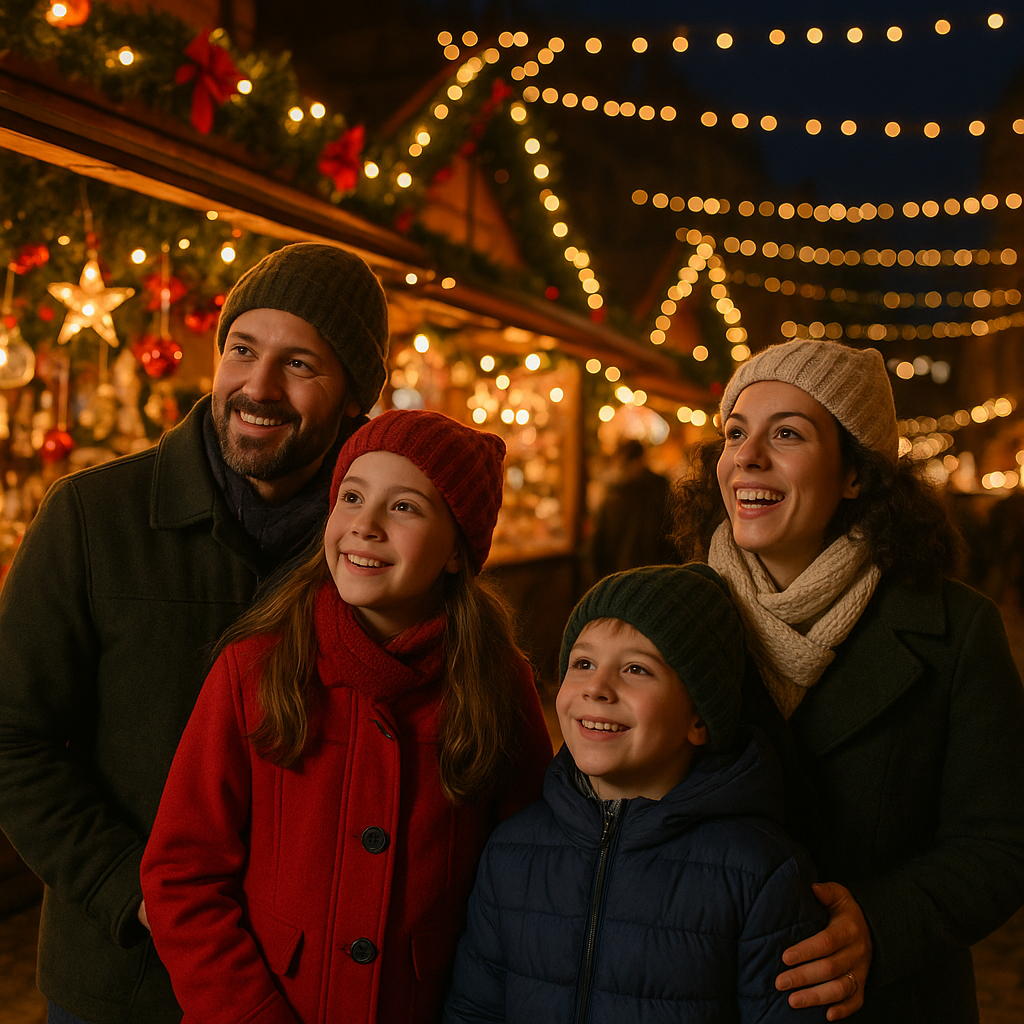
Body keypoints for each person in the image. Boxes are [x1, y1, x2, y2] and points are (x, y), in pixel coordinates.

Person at [0, 242, 390, 1024]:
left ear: (356, 398)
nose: (258, 387)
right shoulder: (90, 517)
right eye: (241, 350)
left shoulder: (375, 552)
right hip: (121, 984)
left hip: (309, 988)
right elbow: (12, 739)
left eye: (300, 364)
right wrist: (134, 893)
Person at [141, 409, 553, 1024]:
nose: (365, 525)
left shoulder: (496, 681)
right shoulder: (254, 669)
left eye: (405, 507)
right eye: (352, 497)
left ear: (455, 550)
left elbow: (525, 877)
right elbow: (182, 875)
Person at [671, 338, 1024, 1023]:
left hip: (889, 1003)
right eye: (736, 433)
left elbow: (1002, 841)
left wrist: (883, 925)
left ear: (856, 475)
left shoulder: (956, 631)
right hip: (706, 992)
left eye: (788, 434)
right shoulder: (674, 614)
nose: (746, 455)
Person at [444, 564, 829, 1024]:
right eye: (583, 663)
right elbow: (474, 1011)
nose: (598, 689)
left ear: (700, 719)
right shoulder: (511, 851)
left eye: (636, 669)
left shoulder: (761, 874)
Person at [588, 438, 675, 580]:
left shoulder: (615, 495)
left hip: (621, 574)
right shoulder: (659, 489)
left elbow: (599, 543)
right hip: (655, 572)